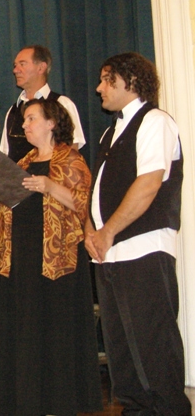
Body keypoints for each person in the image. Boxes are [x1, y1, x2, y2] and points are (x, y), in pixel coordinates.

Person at [0, 99, 101, 415]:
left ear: (51, 123)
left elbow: (85, 205)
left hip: (57, 261)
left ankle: (59, 401)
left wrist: (49, 185)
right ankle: (27, 400)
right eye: (24, 120)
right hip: (22, 257)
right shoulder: (21, 164)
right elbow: (3, 214)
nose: (25, 125)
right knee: (26, 330)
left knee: (56, 330)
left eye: (32, 118)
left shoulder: (70, 160)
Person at [85, 52, 190, 415]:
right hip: (109, 253)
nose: (99, 88)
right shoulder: (110, 131)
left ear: (129, 80)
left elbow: (148, 184)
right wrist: (91, 231)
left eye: (106, 79)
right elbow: (97, 190)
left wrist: (108, 231)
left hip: (143, 249)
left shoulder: (155, 121)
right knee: (122, 351)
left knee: (152, 343)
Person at [0, 45, 86, 162]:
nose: (15, 70)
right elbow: (5, 154)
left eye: (22, 64)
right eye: (15, 65)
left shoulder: (62, 104)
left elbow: (72, 152)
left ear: (41, 68)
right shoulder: (13, 110)